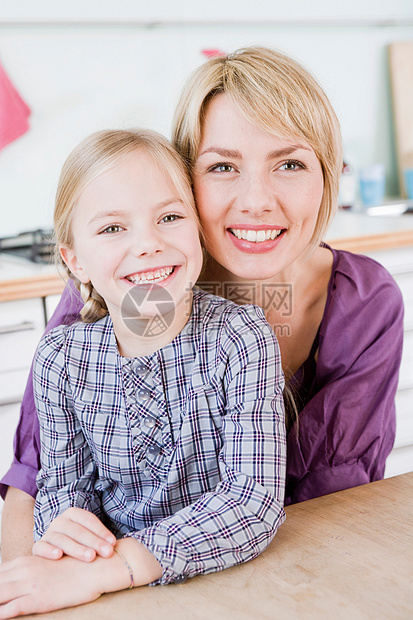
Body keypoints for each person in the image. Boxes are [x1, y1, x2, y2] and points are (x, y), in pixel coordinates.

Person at [1, 45, 404, 560]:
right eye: (221, 167)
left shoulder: (364, 302)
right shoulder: (123, 290)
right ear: (185, 177)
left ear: (327, 174)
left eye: (290, 163)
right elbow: (36, 484)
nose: (257, 200)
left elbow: (340, 501)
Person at [0, 128, 286, 616]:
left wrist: (117, 566)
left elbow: (252, 500)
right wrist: (66, 532)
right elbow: (64, 488)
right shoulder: (60, 359)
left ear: (197, 229)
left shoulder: (243, 337)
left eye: (170, 218)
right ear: (75, 260)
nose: (148, 244)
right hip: (112, 591)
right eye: (113, 228)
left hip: (234, 580)